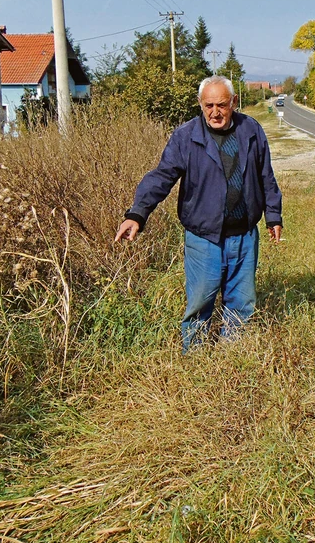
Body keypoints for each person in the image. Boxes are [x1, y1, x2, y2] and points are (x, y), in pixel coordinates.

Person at [115, 75, 283, 350]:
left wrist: (273, 215)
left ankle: (234, 356)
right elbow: (162, 176)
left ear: (234, 103)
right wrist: (137, 213)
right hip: (203, 237)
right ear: (200, 104)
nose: (215, 112)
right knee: (200, 302)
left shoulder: (251, 130)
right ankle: (195, 356)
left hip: (243, 235)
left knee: (242, 302)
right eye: (208, 106)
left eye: (222, 105)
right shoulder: (186, 136)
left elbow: (266, 176)